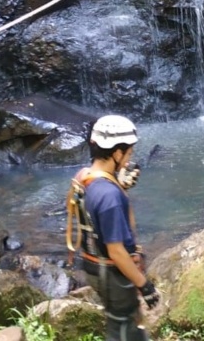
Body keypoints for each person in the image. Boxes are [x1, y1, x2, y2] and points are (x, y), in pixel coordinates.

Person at [68, 115, 159, 341]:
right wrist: (144, 285)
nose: (129, 160)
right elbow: (117, 252)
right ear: (116, 153)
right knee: (122, 329)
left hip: (93, 265)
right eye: (128, 153)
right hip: (112, 273)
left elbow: (87, 208)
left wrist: (119, 184)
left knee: (125, 324)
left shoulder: (85, 177)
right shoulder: (109, 196)